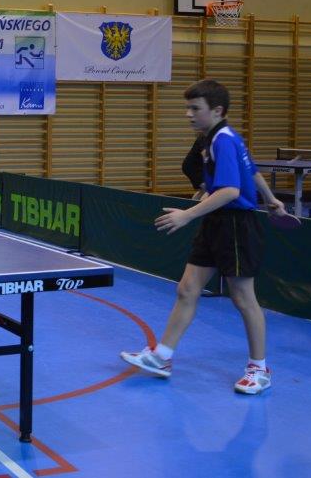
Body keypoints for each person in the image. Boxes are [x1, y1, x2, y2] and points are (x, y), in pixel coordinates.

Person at [120, 79, 285, 394]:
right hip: (216, 221)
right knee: (187, 289)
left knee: (243, 297)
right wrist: (271, 198)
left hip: (236, 225)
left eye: (195, 108)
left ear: (217, 110)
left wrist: (187, 214)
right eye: (188, 108)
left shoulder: (224, 139)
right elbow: (250, 170)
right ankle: (161, 357)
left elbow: (231, 191)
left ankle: (259, 369)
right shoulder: (216, 137)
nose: (188, 114)